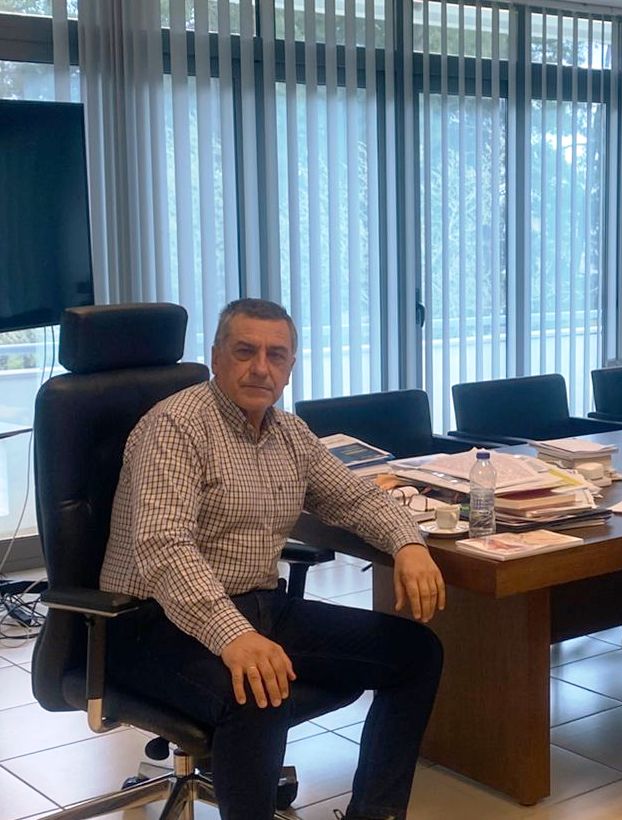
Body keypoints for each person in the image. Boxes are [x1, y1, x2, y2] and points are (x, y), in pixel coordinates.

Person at [100, 298, 445, 820]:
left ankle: (376, 813)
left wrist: (409, 543)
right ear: (217, 357)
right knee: (259, 690)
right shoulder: (175, 427)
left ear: (289, 368)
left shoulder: (289, 434)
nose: (261, 367)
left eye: (275, 355)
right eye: (245, 351)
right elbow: (164, 547)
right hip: (150, 622)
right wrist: (234, 636)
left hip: (258, 607)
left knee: (416, 653)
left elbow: (356, 498)